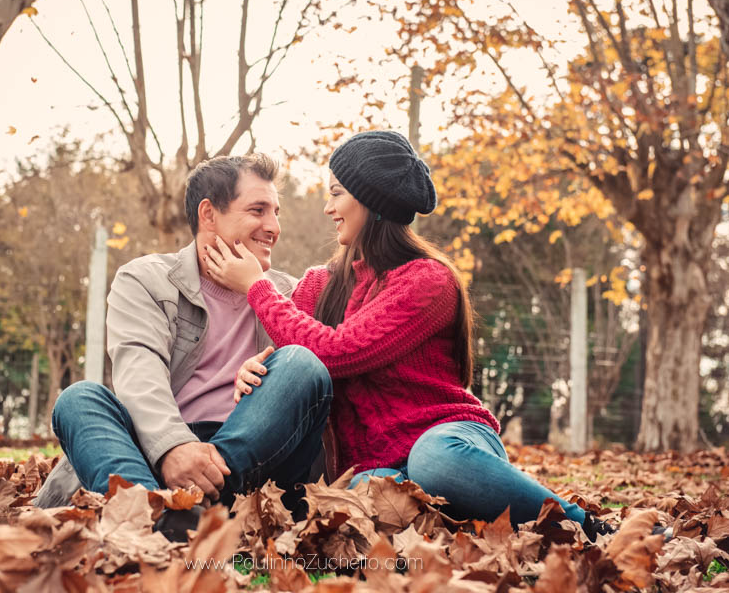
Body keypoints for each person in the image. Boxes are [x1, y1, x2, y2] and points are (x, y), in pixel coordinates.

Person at [204, 131, 613, 541]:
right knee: (362, 502)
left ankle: (586, 526)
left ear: (371, 199)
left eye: (337, 193)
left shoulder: (428, 281)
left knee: (433, 461)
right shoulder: (318, 285)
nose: (329, 208)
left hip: (449, 439)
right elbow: (303, 355)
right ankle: (464, 521)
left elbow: (340, 351)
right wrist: (261, 366)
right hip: (373, 467)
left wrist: (257, 287)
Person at [34, 154, 333, 540]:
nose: (273, 227)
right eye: (258, 210)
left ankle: (178, 513)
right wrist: (173, 447)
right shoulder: (145, 279)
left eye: (276, 212)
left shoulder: (289, 293)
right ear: (208, 214)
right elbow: (139, 377)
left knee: (302, 365)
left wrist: (260, 294)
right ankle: (155, 512)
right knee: (79, 399)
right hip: (153, 451)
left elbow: (320, 380)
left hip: (251, 464)